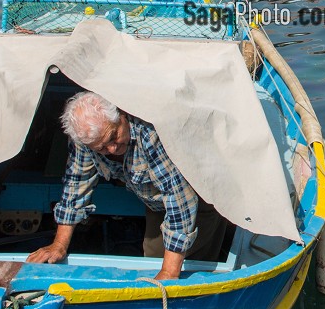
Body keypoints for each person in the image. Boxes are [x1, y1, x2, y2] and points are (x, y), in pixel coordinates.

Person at [27, 92, 226, 281]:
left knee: (194, 266)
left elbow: (179, 197)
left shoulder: (148, 131)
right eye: (102, 148)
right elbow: (76, 183)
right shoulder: (86, 140)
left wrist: (169, 272)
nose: (112, 148)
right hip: (156, 202)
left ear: (121, 115)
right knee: (153, 258)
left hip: (200, 197)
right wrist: (59, 245)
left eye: (113, 136)